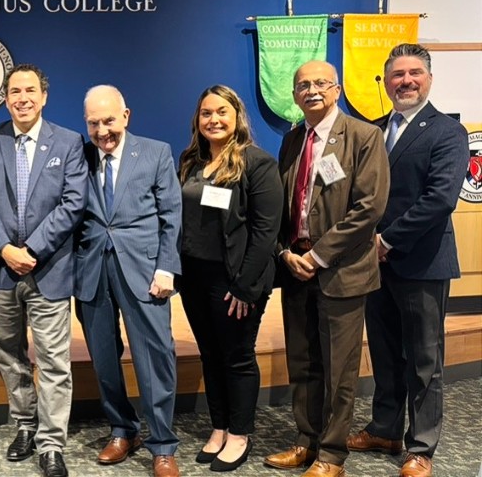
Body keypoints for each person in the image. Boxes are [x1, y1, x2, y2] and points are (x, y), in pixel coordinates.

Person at [345, 43, 469, 477]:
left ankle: (421, 447)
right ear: (386, 80)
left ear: (429, 79)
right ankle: (384, 427)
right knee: (383, 352)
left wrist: (387, 241)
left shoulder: (448, 131)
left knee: (424, 360)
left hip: (422, 262)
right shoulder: (374, 130)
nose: (406, 81)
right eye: (397, 74)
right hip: (374, 266)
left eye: (415, 73)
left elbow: (439, 200)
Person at [264, 61, 389, 477]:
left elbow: (368, 208)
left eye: (320, 83)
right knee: (302, 363)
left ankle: (332, 454)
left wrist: (318, 256)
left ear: (336, 89)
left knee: (339, 370)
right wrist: (285, 254)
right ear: (295, 95)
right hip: (296, 269)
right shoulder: (292, 140)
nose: (311, 90)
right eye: (303, 85)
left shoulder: (364, 136)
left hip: (342, 272)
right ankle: (306, 441)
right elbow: (284, 206)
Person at [0, 64, 86, 477]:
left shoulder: (69, 142)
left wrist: (31, 249)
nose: (22, 98)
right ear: (5, 97)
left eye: (30, 90)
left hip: (48, 267)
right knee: (9, 355)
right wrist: (5, 248)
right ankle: (24, 425)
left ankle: (51, 444)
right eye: (14, 91)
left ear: (44, 96)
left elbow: (73, 202)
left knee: (54, 361)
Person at [73, 85, 183, 477]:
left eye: (109, 121)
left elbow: (171, 215)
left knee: (154, 359)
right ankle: (123, 429)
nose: (102, 130)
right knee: (104, 360)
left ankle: (163, 444)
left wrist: (166, 268)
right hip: (91, 274)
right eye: (93, 123)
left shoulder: (155, 152)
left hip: (145, 273)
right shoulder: (79, 156)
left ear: (126, 116)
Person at [176, 85, 283, 472]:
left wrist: (245, 286)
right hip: (194, 277)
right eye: (206, 113)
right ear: (197, 120)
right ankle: (219, 426)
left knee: (237, 356)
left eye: (222, 111)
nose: (214, 120)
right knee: (210, 354)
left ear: (237, 116)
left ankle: (240, 433)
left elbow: (265, 231)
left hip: (235, 279)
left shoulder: (257, 163)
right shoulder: (190, 161)